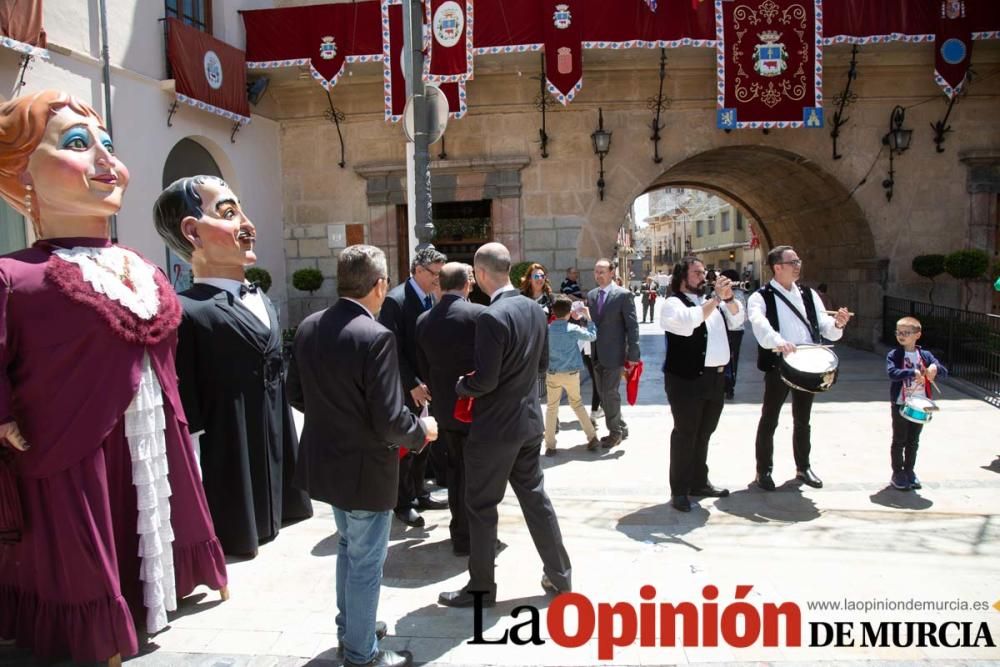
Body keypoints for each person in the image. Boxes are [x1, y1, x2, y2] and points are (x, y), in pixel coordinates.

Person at [0, 90, 227, 665]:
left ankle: (171, 579)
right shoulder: (14, 276)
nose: (107, 160)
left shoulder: (142, 265)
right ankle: (95, 622)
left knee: (147, 507)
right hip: (70, 444)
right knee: (86, 530)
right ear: (21, 172)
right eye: (79, 144)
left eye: (108, 144)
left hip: (149, 432)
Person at [287, 245, 437, 667]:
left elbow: (297, 394)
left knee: (349, 549)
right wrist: (422, 432)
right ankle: (360, 651)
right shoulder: (376, 336)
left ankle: (352, 627)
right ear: (379, 285)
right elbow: (391, 420)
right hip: (365, 468)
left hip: (327, 461)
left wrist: (337, 423)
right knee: (366, 560)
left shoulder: (309, 326)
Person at [153, 176, 313, 558]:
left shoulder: (259, 298)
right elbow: (186, 408)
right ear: (192, 232)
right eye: (228, 213)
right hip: (227, 467)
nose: (248, 225)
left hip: (277, 467)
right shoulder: (184, 312)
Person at [438, 243, 571, 607]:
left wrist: (461, 385)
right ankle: (561, 575)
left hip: (494, 430)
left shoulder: (491, 317)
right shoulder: (533, 308)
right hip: (527, 423)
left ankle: (481, 590)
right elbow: (542, 365)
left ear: (480, 275)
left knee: (480, 507)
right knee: (536, 501)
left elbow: (485, 381)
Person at [747, 245, 852, 491]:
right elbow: (759, 324)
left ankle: (803, 467)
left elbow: (824, 325)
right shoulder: (760, 297)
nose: (798, 265)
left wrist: (837, 324)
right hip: (778, 364)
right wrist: (778, 342)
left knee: (803, 420)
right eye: (793, 262)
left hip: (808, 364)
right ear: (778, 267)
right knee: (769, 419)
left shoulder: (808, 294)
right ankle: (764, 471)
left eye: (798, 261)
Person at [661, 258, 744, 512]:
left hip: (715, 378)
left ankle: (698, 481)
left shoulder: (711, 303)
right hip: (686, 380)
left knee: (705, 432)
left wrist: (728, 299)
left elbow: (738, 321)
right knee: (685, 433)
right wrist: (716, 299)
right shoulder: (672, 304)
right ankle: (679, 489)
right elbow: (689, 323)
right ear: (682, 276)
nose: (703, 276)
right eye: (696, 273)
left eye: (703, 272)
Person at [416, 262, 485, 556]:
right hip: (476, 407)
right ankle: (473, 536)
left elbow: (423, 366)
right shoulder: (480, 315)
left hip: (445, 409)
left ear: (439, 286)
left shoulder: (423, 320)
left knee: (456, 471)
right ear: (467, 285)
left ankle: (459, 531)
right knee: (478, 476)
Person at [378, 247, 448, 528]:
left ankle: (419, 492)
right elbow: (392, 348)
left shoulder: (430, 296)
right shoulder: (396, 301)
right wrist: (412, 385)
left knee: (426, 442)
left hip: (426, 385)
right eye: (435, 273)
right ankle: (403, 503)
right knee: (406, 448)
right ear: (418, 270)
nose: (438, 279)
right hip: (406, 387)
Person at [886, 317, 947, 491]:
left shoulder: (925, 355)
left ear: (917, 335)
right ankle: (897, 473)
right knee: (899, 439)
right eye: (898, 332)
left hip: (920, 403)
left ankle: (909, 471)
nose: (901, 335)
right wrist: (911, 372)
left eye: (906, 332)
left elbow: (944, 372)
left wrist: (935, 368)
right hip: (900, 403)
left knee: (913, 440)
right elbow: (892, 373)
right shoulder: (894, 354)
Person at [587, 258, 640, 448]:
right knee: (602, 393)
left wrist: (633, 354)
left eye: (602, 272)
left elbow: (632, 326)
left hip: (615, 353)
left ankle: (615, 432)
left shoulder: (623, 295)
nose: (598, 275)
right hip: (595, 353)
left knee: (610, 393)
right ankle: (622, 426)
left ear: (611, 273)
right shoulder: (592, 295)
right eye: (596, 272)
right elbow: (592, 323)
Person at [544, 296, 600, 455]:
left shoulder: (547, 329)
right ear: (569, 313)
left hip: (553, 373)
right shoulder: (573, 329)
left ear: (553, 312)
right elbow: (592, 336)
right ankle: (592, 437)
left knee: (552, 408)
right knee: (577, 404)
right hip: (571, 373)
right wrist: (589, 319)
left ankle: (550, 445)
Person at [719, 269, 748, 399]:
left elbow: (741, 315)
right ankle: (726, 385)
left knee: (731, 359)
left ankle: (729, 386)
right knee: (729, 359)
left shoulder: (738, 295)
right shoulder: (739, 294)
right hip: (729, 331)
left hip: (733, 331)